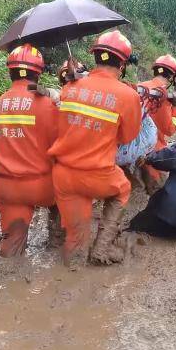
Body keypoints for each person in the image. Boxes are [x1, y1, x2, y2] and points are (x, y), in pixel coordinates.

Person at [47, 30, 142, 268]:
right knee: (122, 189)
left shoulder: (70, 87)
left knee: (75, 241)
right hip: (98, 174)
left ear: (96, 56)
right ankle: (102, 247)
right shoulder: (128, 95)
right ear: (122, 64)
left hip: (64, 175)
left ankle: (73, 264)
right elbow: (128, 137)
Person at [0, 44, 61, 257]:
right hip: (42, 185)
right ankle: (57, 245)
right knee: (70, 193)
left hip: (7, 187)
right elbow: (60, 146)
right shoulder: (47, 103)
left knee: (11, 252)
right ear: (38, 74)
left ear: (10, 72)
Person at [137, 54, 176, 194]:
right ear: (171, 77)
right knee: (158, 197)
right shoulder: (162, 96)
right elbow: (169, 129)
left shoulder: (140, 87)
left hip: (129, 151)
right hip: (152, 154)